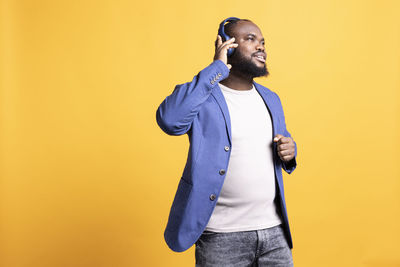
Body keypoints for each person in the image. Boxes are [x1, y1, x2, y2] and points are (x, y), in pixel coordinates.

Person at [156, 17, 297, 266]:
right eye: (250, 39)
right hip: (221, 237)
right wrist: (216, 68)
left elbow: (277, 149)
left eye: (263, 42)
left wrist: (289, 152)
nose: (261, 46)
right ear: (227, 45)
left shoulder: (271, 99)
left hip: (274, 233)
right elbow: (170, 120)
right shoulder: (203, 96)